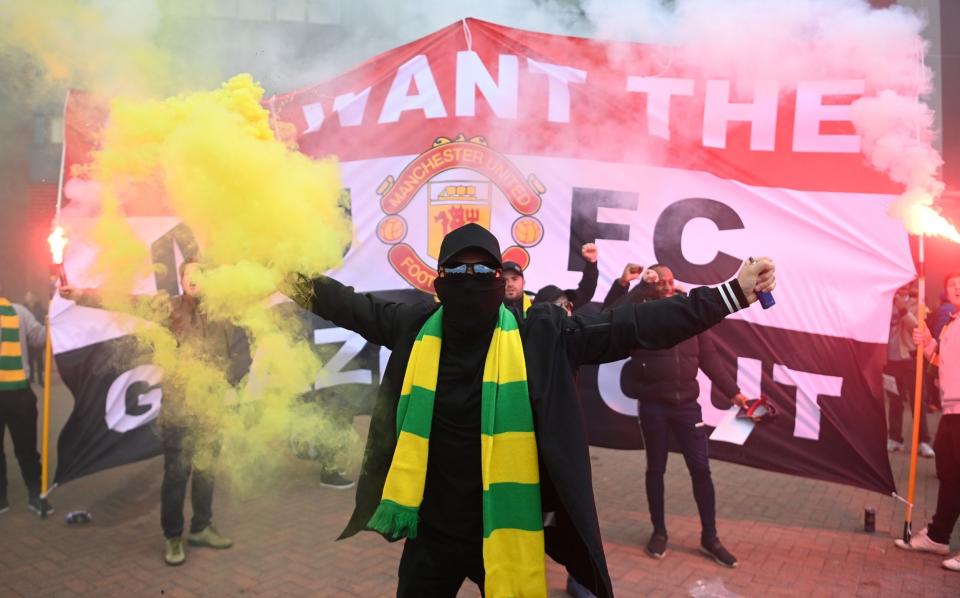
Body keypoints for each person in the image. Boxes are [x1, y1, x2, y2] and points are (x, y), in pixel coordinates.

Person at [284, 223, 775, 597]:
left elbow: (637, 324)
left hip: (507, 524)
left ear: (500, 280)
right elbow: (340, 303)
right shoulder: (413, 324)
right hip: (432, 530)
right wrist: (271, 269)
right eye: (458, 270)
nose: (471, 280)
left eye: (483, 271)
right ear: (440, 282)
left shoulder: (541, 334)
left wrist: (731, 293)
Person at [60, 259, 251, 566]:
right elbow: (126, 302)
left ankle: (202, 527)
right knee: (177, 474)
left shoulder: (224, 312)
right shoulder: (170, 308)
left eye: (199, 272)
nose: (193, 277)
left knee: (207, 469)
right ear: (181, 280)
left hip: (212, 407)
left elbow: (242, 352)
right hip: (179, 408)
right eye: (187, 273)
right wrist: (80, 294)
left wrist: (232, 382)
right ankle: (173, 536)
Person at [603, 263, 748, 568]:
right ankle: (659, 532)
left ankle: (710, 538)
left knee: (701, 469)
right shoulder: (642, 315)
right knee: (656, 469)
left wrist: (734, 392)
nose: (668, 286)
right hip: (653, 406)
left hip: (687, 407)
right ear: (653, 285)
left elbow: (709, 358)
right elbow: (609, 316)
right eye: (661, 281)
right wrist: (641, 285)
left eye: (671, 281)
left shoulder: (690, 314)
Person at [895, 271, 960, 572]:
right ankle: (938, 536)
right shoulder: (951, 323)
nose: (957, 288)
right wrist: (930, 343)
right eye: (951, 284)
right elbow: (938, 363)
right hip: (951, 410)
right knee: (948, 474)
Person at [0, 284, 51, 516]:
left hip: (20, 393)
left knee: (27, 449)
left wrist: (52, 322)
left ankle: (36, 494)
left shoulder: (18, 312)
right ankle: (1, 499)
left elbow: (39, 339)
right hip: (15, 394)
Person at [885, 282, 934, 457]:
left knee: (917, 400)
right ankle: (895, 438)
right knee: (895, 401)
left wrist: (902, 308)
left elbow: (916, 327)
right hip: (890, 360)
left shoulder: (917, 304)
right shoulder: (885, 303)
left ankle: (923, 441)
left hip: (910, 358)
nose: (903, 287)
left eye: (906, 284)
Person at [503, 243, 599, 317]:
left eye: (514, 279)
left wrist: (591, 264)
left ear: (523, 282)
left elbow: (585, 293)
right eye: (504, 280)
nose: (510, 284)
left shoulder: (540, 303)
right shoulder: (491, 306)